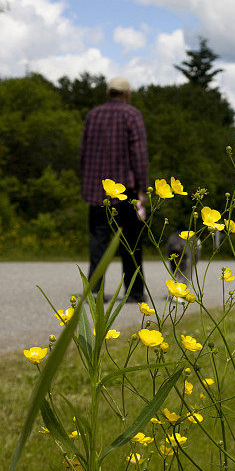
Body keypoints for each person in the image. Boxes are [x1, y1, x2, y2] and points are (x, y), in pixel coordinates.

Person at [80, 76, 148, 302]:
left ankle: (94, 291)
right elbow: (139, 156)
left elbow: (83, 152)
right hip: (124, 189)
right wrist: (142, 189)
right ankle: (134, 292)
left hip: (95, 188)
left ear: (108, 92)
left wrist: (85, 183)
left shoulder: (93, 115)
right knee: (131, 242)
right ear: (127, 94)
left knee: (98, 241)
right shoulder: (131, 114)